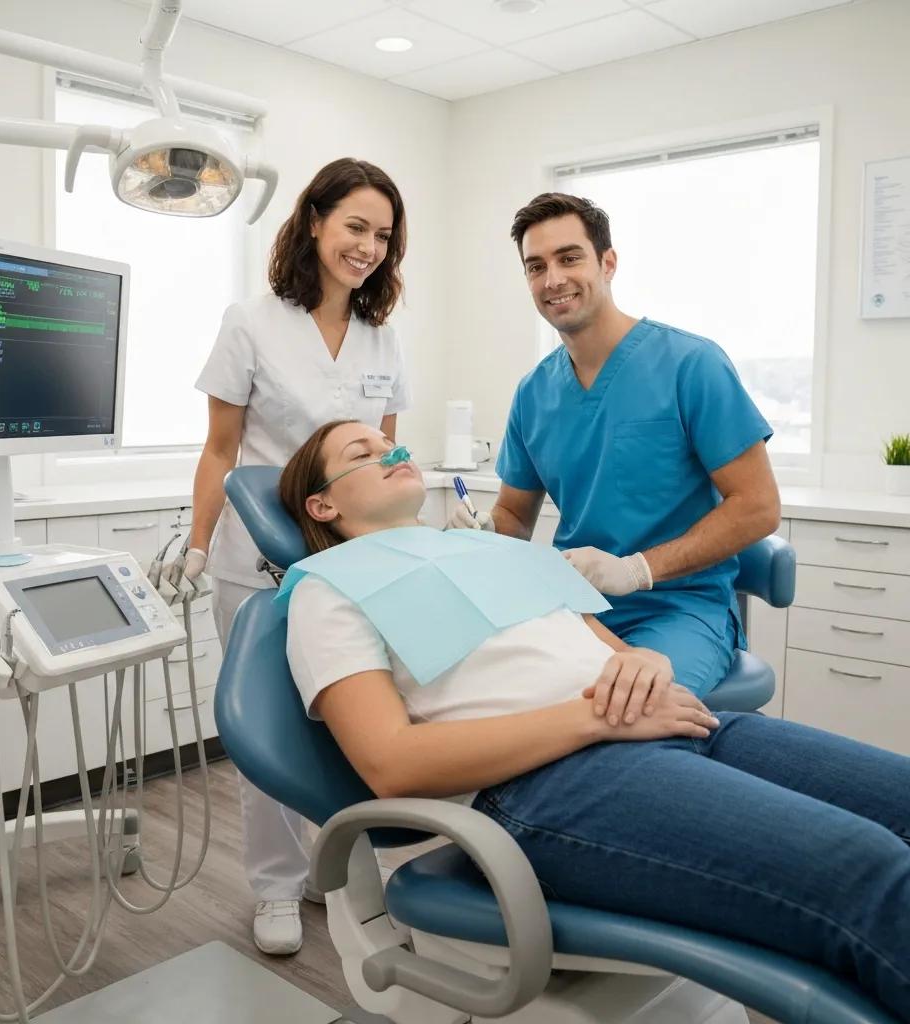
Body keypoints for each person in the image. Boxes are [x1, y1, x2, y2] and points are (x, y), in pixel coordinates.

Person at [278, 419, 910, 1023]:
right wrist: (594, 719)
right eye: (362, 453)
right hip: (554, 784)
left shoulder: (491, 550)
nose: (391, 453)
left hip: (674, 725)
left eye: (391, 442)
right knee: (872, 874)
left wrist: (649, 665)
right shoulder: (328, 590)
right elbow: (392, 762)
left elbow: (619, 652)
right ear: (322, 507)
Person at [185, 158, 411, 955]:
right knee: (269, 728)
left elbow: (382, 456)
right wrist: (198, 541)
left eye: (383, 235)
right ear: (313, 221)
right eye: (355, 226)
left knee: (347, 720)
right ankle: (276, 887)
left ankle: (331, 862)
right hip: (260, 559)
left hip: (349, 564)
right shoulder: (251, 321)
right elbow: (220, 449)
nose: (368, 247)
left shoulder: (382, 334)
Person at [448, 193, 781, 698]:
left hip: (680, 609)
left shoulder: (691, 365)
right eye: (535, 266)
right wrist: (485, 528)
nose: (552, 278)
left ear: (608, 263)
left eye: (569, 257)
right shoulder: (534, 393)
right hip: (571, 608)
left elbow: (758, 508)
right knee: (489, 699)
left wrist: (637, 570)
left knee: (627, 710)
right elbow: (515, 517)